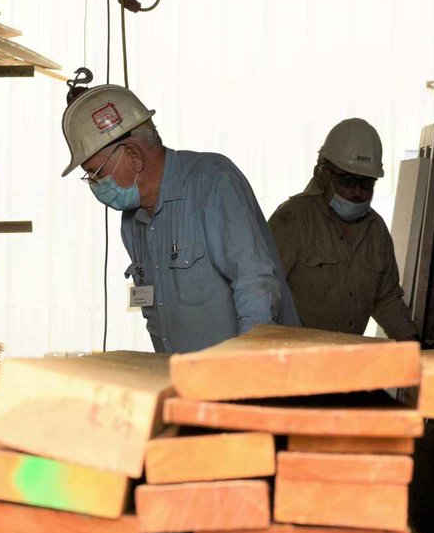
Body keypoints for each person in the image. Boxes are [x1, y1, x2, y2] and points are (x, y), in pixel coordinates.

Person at [61, 84, 300, 353]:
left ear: (133, 156)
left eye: (96, 172)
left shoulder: (212, 183)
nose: (94, 183)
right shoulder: (133, 222)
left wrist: (242, 369)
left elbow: (256, 286)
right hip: (189, 381)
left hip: (251, 377)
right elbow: (153, 310)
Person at [269, 119, 418, 340]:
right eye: (349, 181)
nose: (358, 192)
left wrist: (413, 344)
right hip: (293, 361)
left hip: (342, 360)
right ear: (325, 174)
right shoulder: (293, 220)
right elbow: (262, 293)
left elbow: (385, 298)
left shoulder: (375, 230)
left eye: (367, 184)